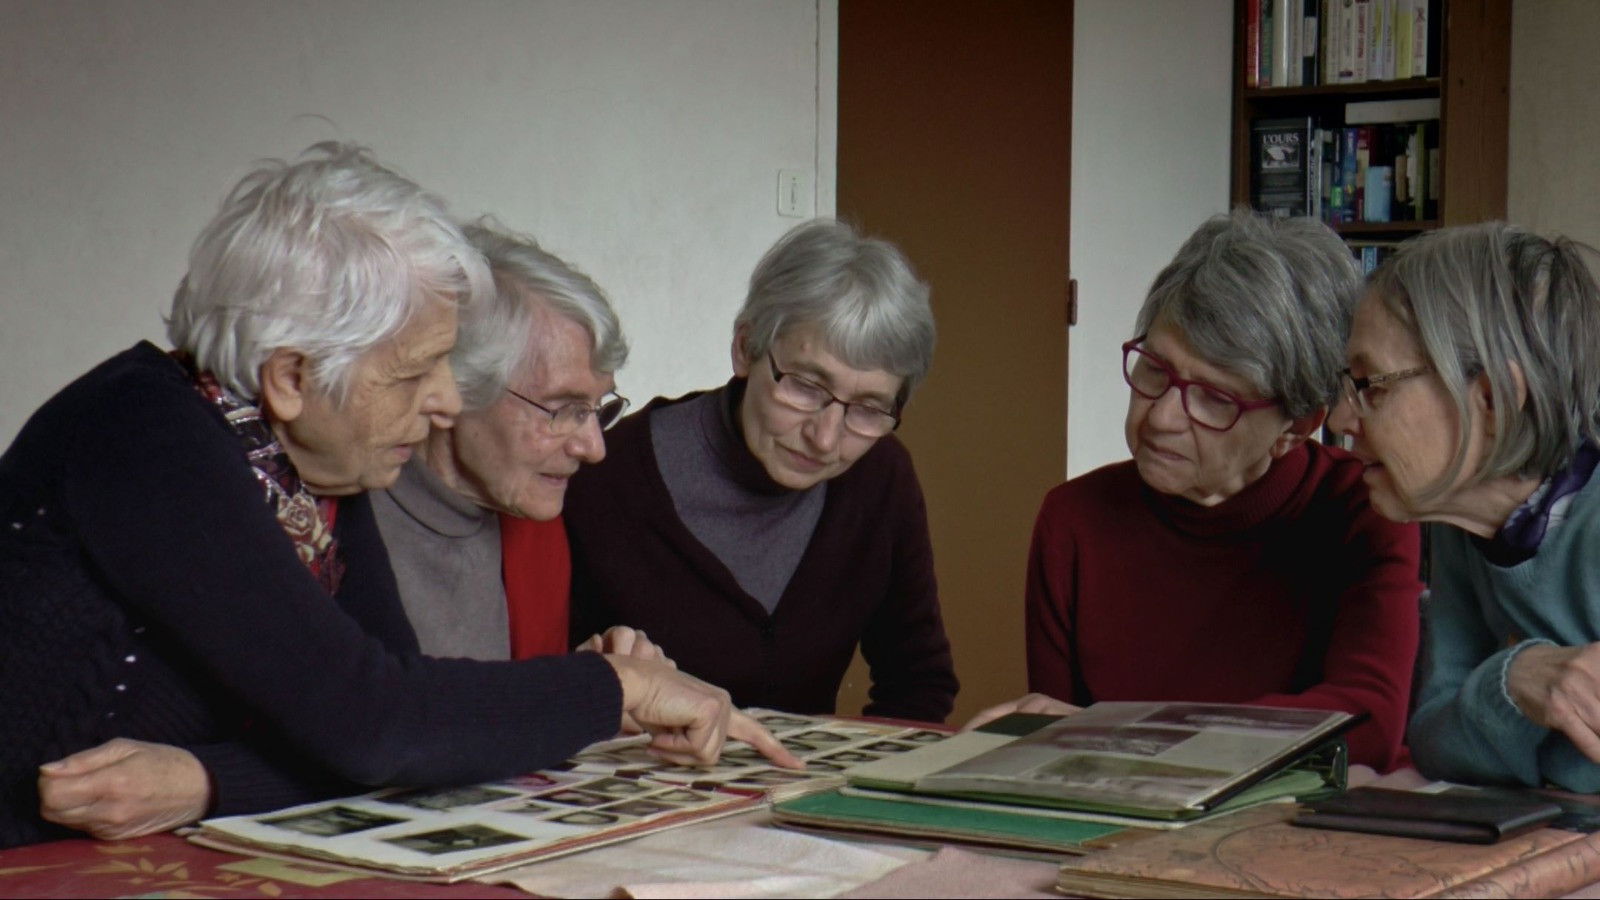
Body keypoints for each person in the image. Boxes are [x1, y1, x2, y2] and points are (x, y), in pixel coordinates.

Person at [0, 143, 796, 850]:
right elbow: (377, 724)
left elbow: (391, 728)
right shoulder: (144, 434)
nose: (448, 401)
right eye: (415, 373)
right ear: (291, 377)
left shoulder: (314, 474)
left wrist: (207, 780)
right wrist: (616, 689)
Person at [968, 210, 1423, 772]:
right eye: (1155, 370)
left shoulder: (1364, 507)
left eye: (1214, 398)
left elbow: (1367, 725)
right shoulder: (1074, 519)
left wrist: (1122, 732)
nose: (1161, 418)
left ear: (1297, 427)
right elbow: (1056, 742)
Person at [564, 218, 959, 722]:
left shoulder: (882, 477)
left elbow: (918, 684)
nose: (825, 439)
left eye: (868, 408)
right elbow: (547, 690)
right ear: (745, 348)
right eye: (806, 387)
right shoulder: (604, 475)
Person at [1328, 223, 1600, 789]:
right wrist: (1514, 681)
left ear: (1494, 400)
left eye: (1371, 384)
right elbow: (1435, 740)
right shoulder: (1462, 523)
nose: (1341, 418)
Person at [371, 218, 645, 661]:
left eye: (596, 410)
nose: (594, 449)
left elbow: (513, 696)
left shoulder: (536, 530)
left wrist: (593, 676)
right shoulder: (335, 523)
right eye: (564, 410)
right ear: (456, 386)